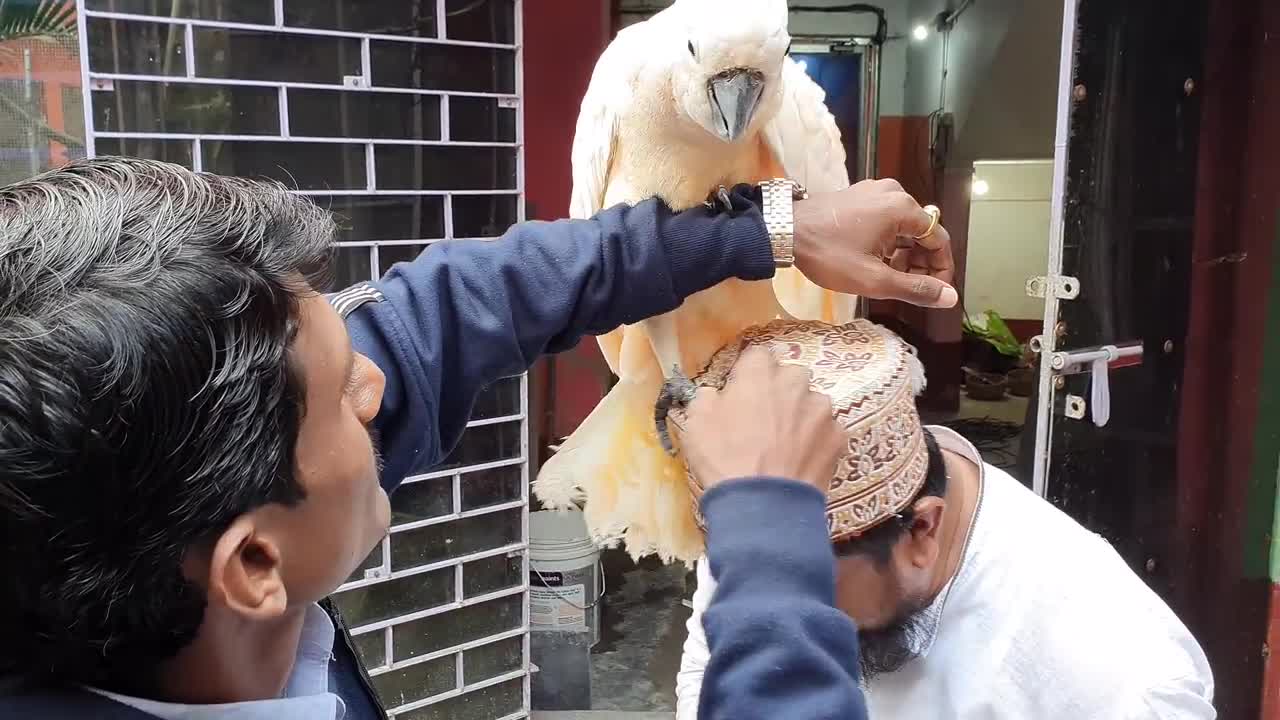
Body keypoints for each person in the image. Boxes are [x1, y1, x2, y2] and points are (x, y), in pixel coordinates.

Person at [0, 157, 954, 719]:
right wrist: (769, 530)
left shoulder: (148, 508)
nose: (379, 380)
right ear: (253, 565)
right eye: (343, 391)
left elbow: (468, 302)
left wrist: (771, 229)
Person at [675, 323, 1217, 720]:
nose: (773, 600)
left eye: (811, 592)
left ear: (922, 531)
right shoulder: (763, 522)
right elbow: (711, 669)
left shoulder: (1115, 681)